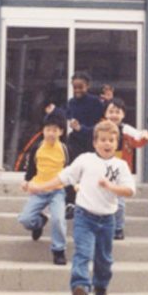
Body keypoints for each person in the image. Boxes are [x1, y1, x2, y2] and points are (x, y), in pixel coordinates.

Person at [23, 121, 136, 295]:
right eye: (102, 140)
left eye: (111, 140)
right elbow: (63, 177)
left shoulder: (121, 165)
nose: (107, 144)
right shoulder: (85, 159)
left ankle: (100, 286)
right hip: (84, 216)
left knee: (104, 258)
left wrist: (110, 187)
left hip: (107, 219)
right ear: (94, 143)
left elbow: (129, 191)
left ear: (116, 143)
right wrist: (38, 186)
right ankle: (80, 287)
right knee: (82, 253)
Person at [48, 72, 106, 220]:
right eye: (75, 87)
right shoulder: (72, 102)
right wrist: (54, 111)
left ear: (88, 86)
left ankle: (91, 203)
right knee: (71, 170)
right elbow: (66, 114)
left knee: (91, 173)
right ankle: (70, 203)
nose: (77, 90)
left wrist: (82, 129)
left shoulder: (96, 102)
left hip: (91, 142)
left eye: (80, 87)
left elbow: (101, 125)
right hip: (75, 141)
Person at [18, 111, 70, 265]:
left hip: (57, 191)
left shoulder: (65, 149)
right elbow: (31, 169)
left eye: (55, 130)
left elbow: (70, 172)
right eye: (48, 130)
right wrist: (26, 181)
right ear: (43, 131)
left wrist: (71, 194)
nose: (51, 133)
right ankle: (40, 222)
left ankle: (59, 250)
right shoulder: (38, 147)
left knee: (59, 219)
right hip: (39, 190)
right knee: (25, 219)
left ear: (61, 131)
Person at [102, 98, 148, 240]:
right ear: (105, 113)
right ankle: (105, 227)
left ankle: (118, 228)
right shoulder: (100, 129)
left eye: (117, 112)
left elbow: (138, 138)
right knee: (103, 201)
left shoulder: (127, 129)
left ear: (123, 114)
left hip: (121, 171)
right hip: (103, 170)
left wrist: (145, 136)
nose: (114, 115)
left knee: (120, 204)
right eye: (110, 111)